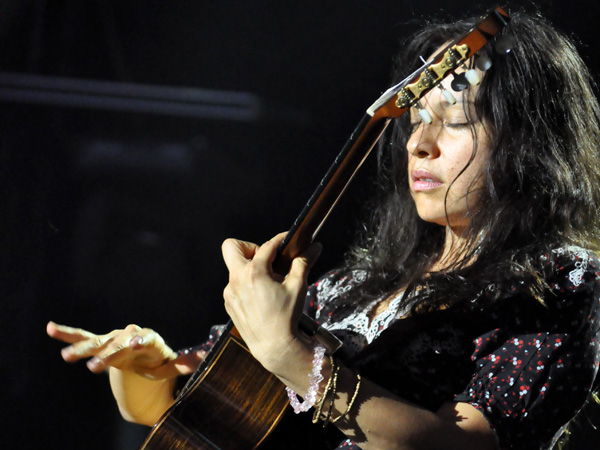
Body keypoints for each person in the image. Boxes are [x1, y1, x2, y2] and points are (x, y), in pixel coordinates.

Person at [47, 10, 600, 450]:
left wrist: (291, 357)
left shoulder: (561, 280)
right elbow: (172, 408)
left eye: (455, 121)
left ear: (530, 143)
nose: (420, 142)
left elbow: (460, 444)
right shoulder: (354, 285)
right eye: (415, 120)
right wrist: (146, 367)